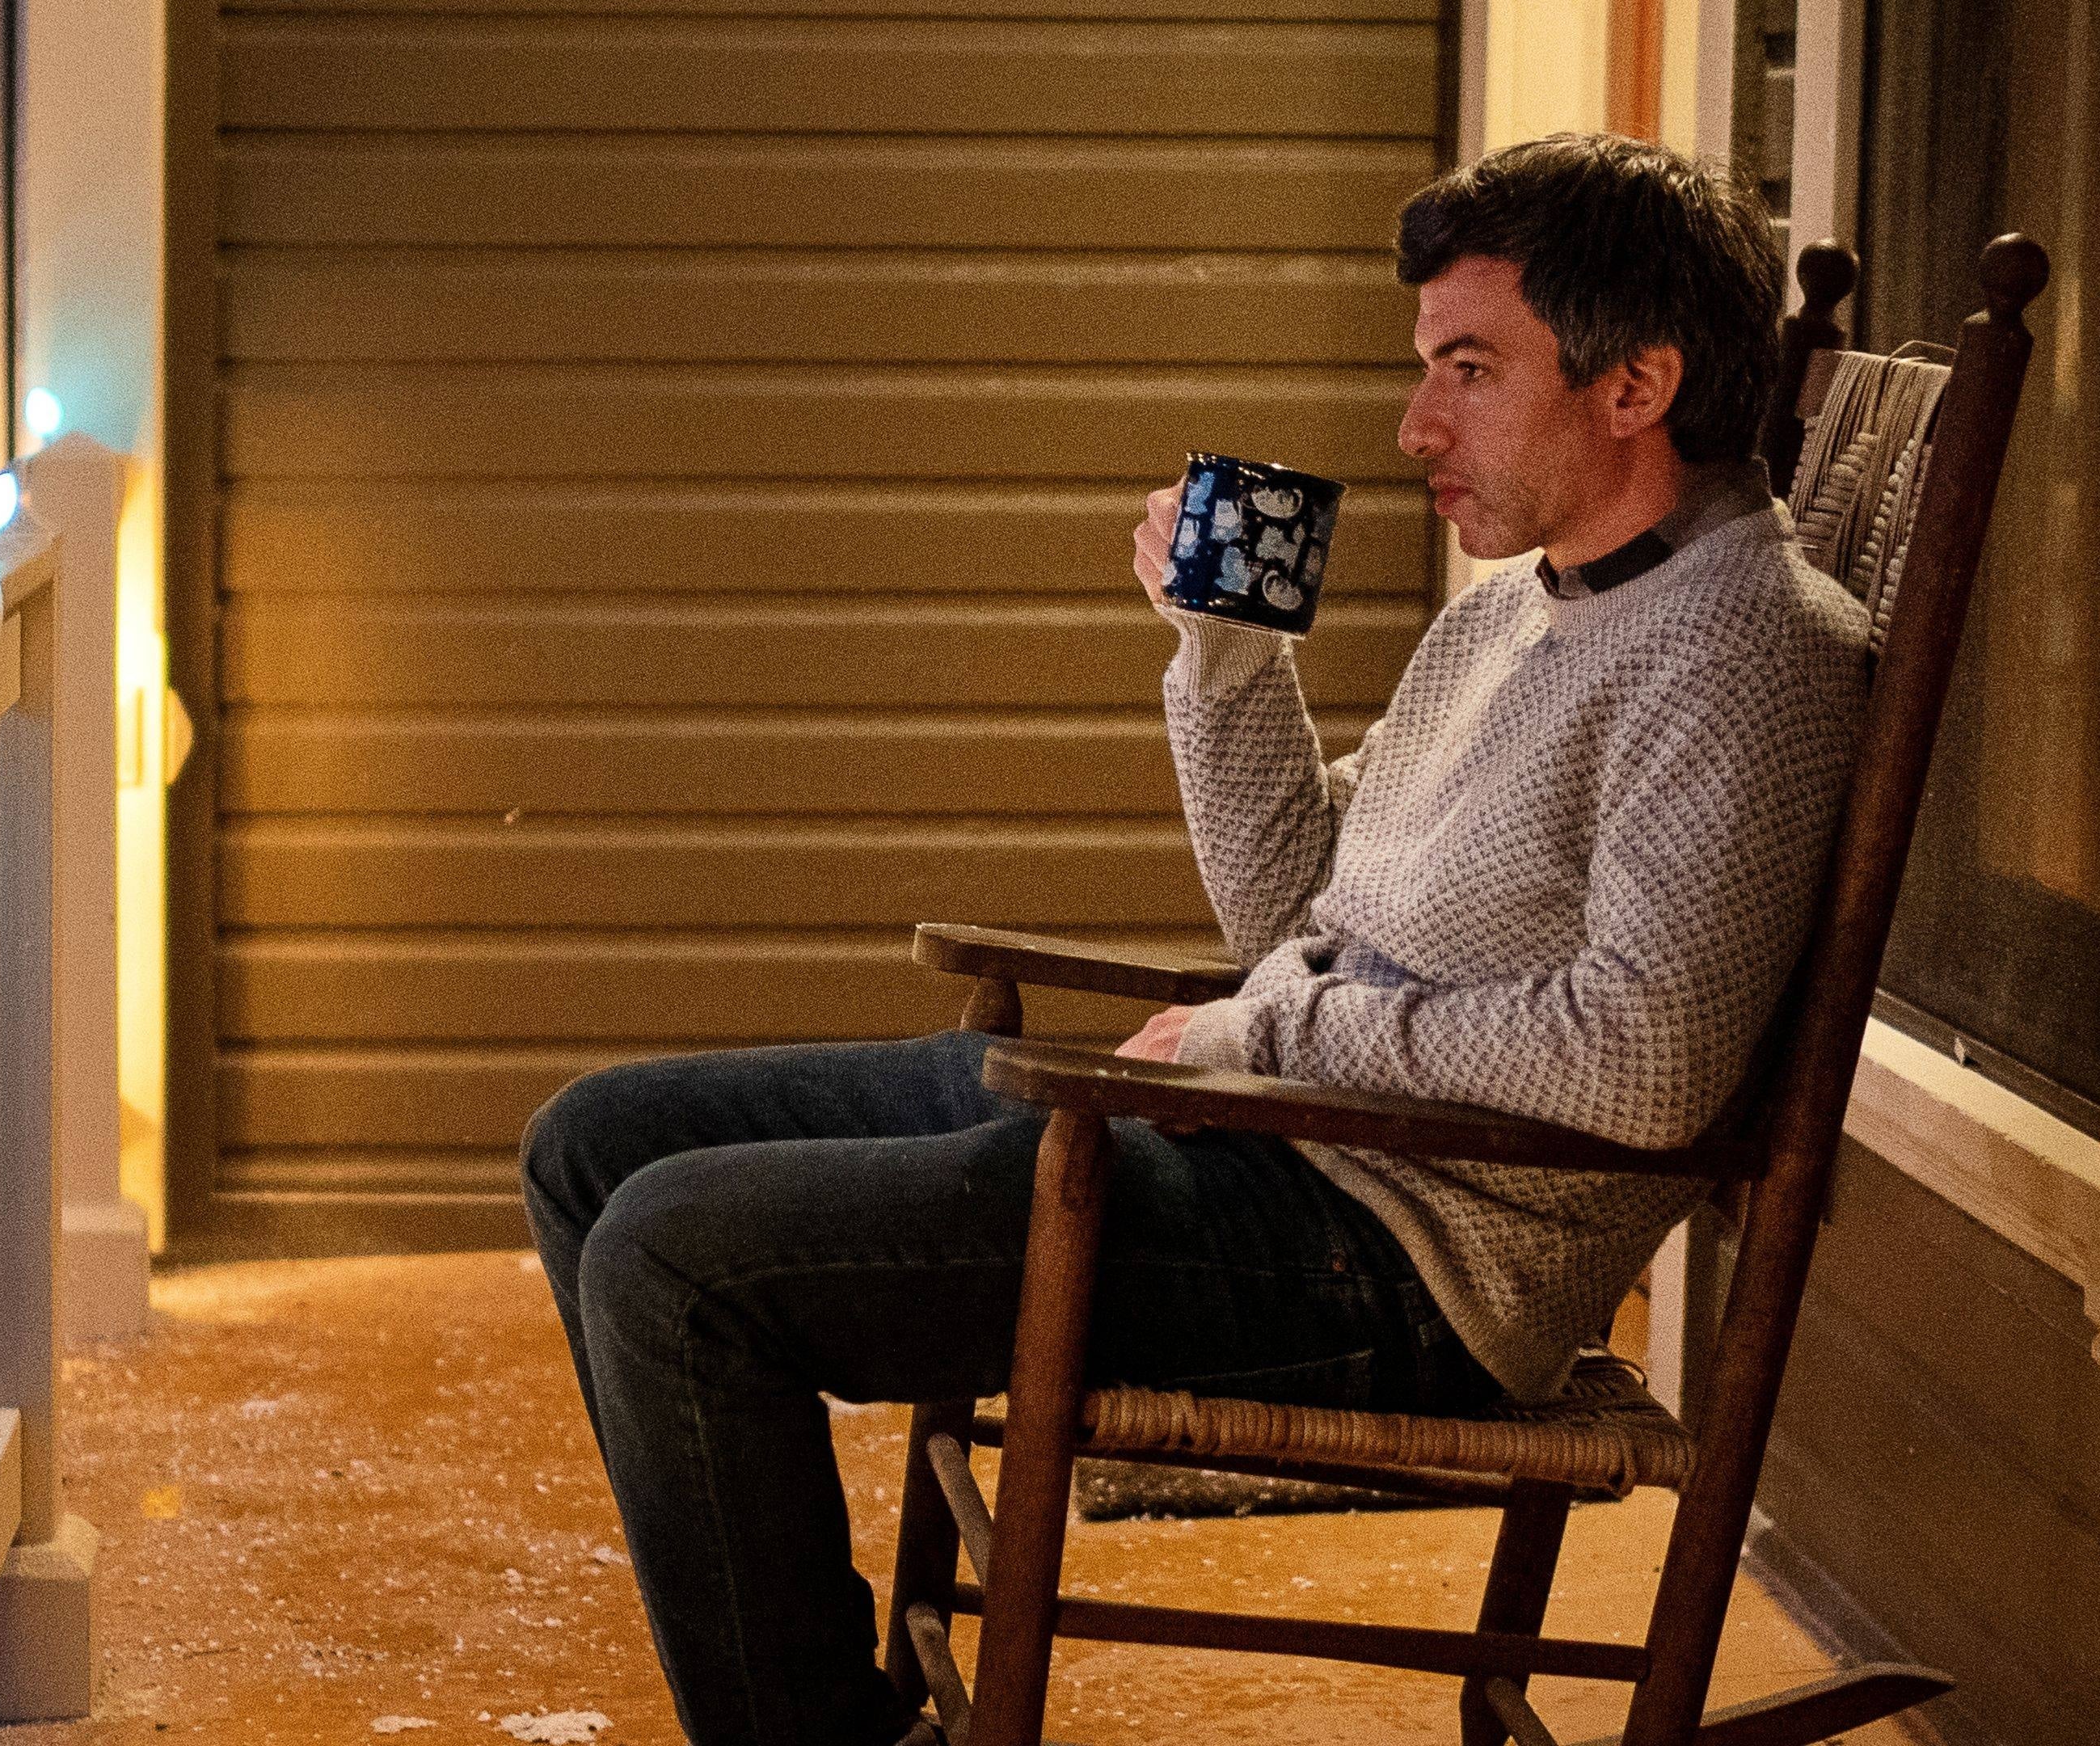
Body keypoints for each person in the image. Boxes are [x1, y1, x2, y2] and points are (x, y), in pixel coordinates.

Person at [521, 133, 1870, 1746]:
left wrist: (1262, 1033)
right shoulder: (1526, 606)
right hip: (1255, 1132)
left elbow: (1642, 1062)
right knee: (593, 1146)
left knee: (675, 1262)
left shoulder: (1745, 650)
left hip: (1395, 1257)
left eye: (1468, 370)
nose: (1415, 425)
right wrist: (1224, 653)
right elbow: (1294, 908)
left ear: (1635, 384)